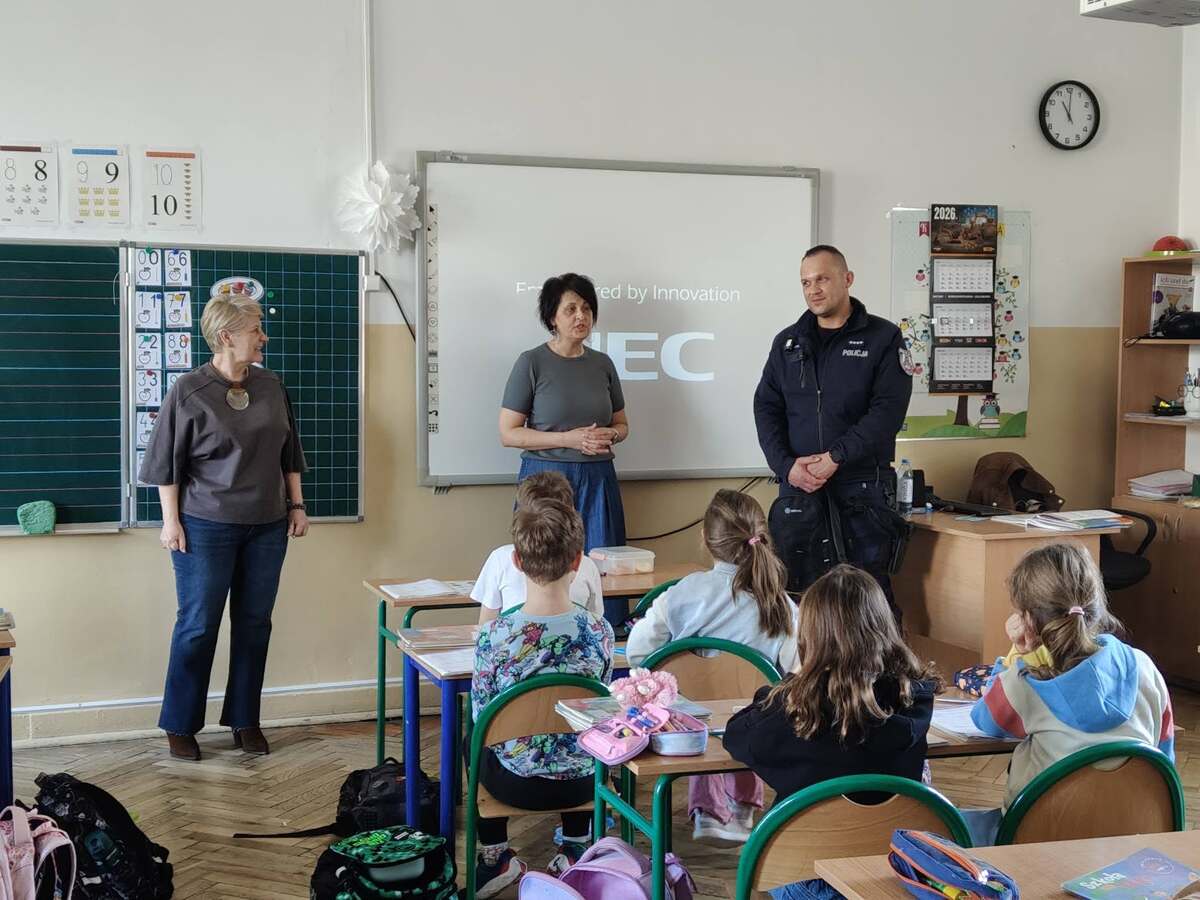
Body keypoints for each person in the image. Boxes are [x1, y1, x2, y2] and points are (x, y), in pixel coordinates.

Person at [139, 292, 309, 762]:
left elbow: (289, 452)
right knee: (197, 626)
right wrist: (171, 522)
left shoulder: (271, 385)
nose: (263, 337)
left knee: (255, 624)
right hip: (205, 526)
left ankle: (244, 719)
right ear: (227, 336)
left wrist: (297, 505)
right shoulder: (189, 390)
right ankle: (180, 724)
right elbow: (166, 463)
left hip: (268, 525)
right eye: (256, 330)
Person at [724, 565, 939, 900]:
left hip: (809, 879)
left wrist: (792, 682)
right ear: (884, 628)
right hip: (897, 872)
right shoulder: (914, 699)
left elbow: (738, 734)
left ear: (809, 636)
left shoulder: (792, 711)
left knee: (761, 860)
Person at [966, 543, 1174, 844]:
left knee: (939, 828)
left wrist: (1016, 655)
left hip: (1037, 839)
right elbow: (1164, 759)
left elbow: (985, 719)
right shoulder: (1145, 667)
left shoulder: (1025, 682)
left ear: (1027, 620)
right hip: (1132, 839)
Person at [627, 489, 800, 841]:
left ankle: (708, 810)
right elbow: (798, 669)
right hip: (756, 723)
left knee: (701, 708)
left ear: (705, 538)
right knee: (754, 704)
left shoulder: (682, 593)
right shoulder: (780, 603)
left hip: (687, 724)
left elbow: (638, 653)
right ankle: (742, 806)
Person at [753, 245, 913, 608]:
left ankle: (880, 651)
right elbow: (766, 407)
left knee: (867, 599)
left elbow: (887, 412)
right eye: (805, 282)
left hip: (862, 490)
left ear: (847, 279)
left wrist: (836, 457)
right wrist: (786, 466)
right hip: (800, 489)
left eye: (822, 279)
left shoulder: (883, 338)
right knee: (801, 599)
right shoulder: (788, 343)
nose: (813, 290)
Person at [470, 498, 614, 897]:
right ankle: (575, 844)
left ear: (516, 561)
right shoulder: (600, 631)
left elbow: (482, 717)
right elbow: (600, 711)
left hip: (513, 783)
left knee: (473, 737)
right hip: (585, 782)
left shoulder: (494, 636)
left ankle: (494, 856)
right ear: (577, 561)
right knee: (582, 733)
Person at [499, 273, 629, 555]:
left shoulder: (603, 364)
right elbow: (508, 434)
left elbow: (622, 425)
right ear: (552, 318)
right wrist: (568, 439)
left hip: (598, 477)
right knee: (546, 564)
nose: (581, 316)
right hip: (546, 479)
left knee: (603, 565)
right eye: (571, 309)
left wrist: (611, 434)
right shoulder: (531, 362)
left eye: (587, 308)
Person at [471, 471, 604, 622]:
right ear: (570, 514)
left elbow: (486, 624)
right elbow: (595, 620)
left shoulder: (499, 559)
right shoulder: (588, 565)